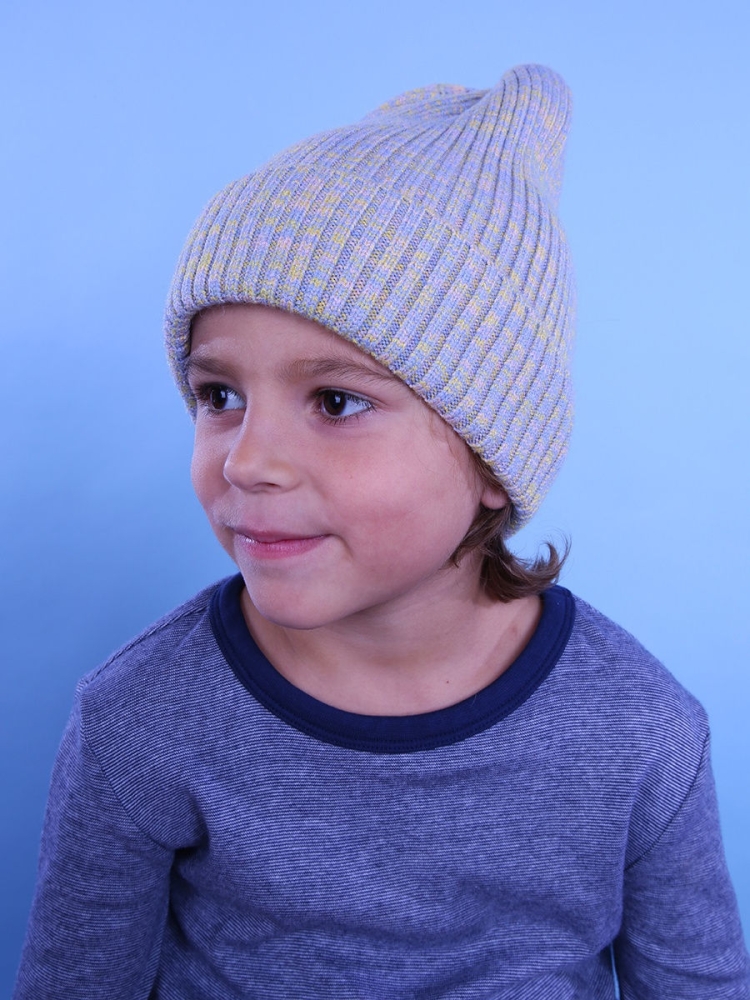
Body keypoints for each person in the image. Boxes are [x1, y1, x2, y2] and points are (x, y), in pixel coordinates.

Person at [14, 64, 749, 999]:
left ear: (493, 458)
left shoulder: (640, 734)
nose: (248, 461)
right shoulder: (143, 720)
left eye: (335, 401)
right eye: (219, 395)